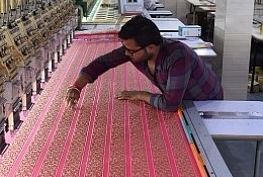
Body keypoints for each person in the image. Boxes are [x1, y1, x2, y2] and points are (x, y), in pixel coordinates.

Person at [65, 15, 223, 111]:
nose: (126, 53)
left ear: (151, 47)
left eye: (131, 51)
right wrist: (76, 87)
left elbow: (170, 105)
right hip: (183, 99)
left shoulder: (178, 57)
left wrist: (141, 95)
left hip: (205, 102)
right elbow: (102, 63)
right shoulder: (136, 50)